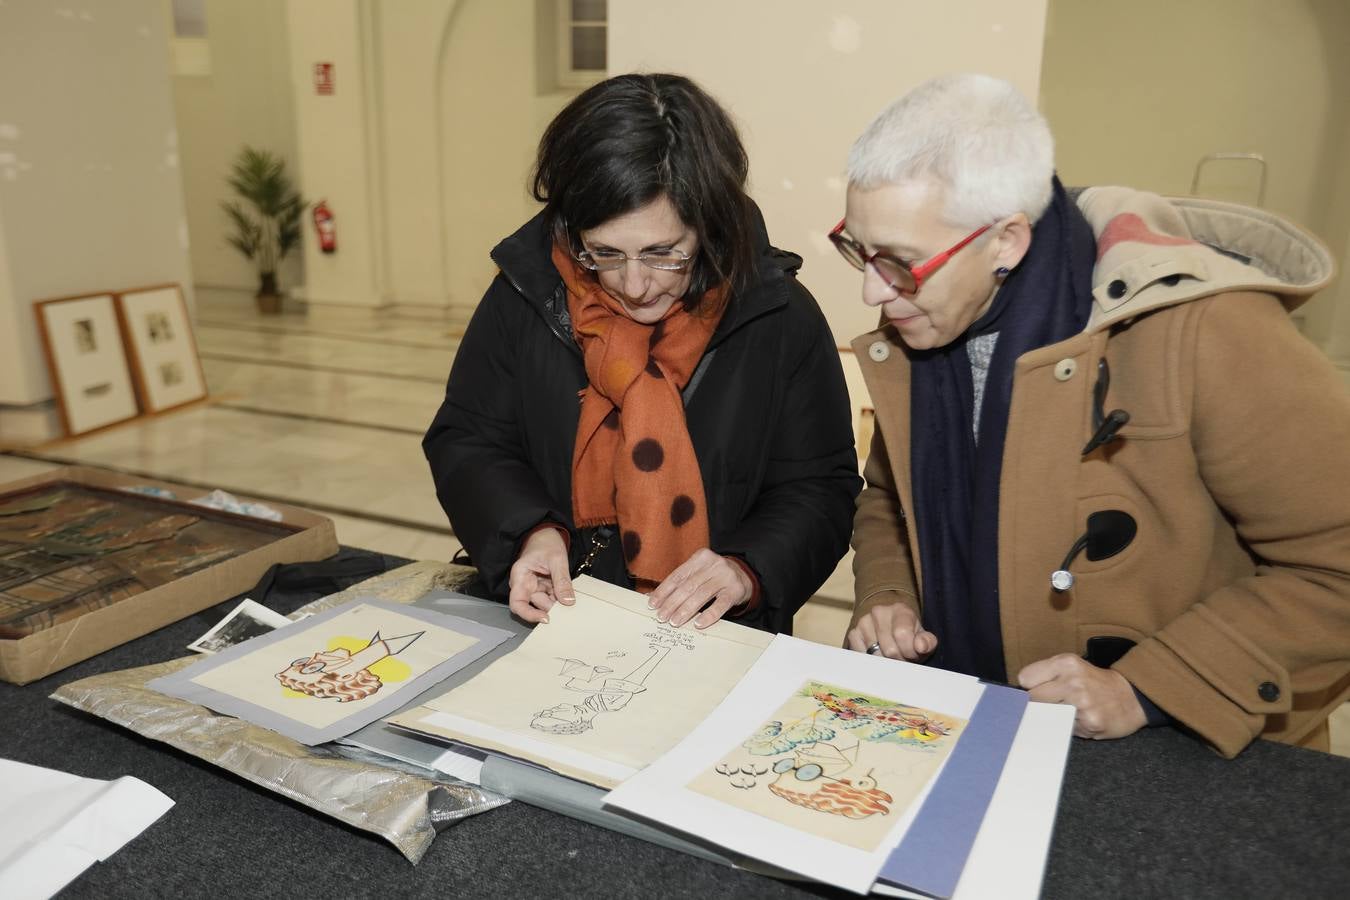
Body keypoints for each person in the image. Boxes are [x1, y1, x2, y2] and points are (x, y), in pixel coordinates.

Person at [836, 73, 1349, 757]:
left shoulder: (1209, 327)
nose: (875, 289)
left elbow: (1334, 569)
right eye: (859, 250)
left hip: (1193, 762)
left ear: (1008, 242)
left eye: (900, 262)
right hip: (982, 732)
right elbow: (890, 498)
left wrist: (1149, 688)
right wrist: (889, 593)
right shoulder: (920, 314)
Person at [425, 73, 860, 634]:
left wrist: (746, 570)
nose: (634, 285)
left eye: (663, 253)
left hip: (713, 635)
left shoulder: (777, 315)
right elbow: (468, 438)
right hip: (556, 624)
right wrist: (531, 531)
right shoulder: (526, 294)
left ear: (709, 224)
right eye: (604, 253)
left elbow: (820, 486)